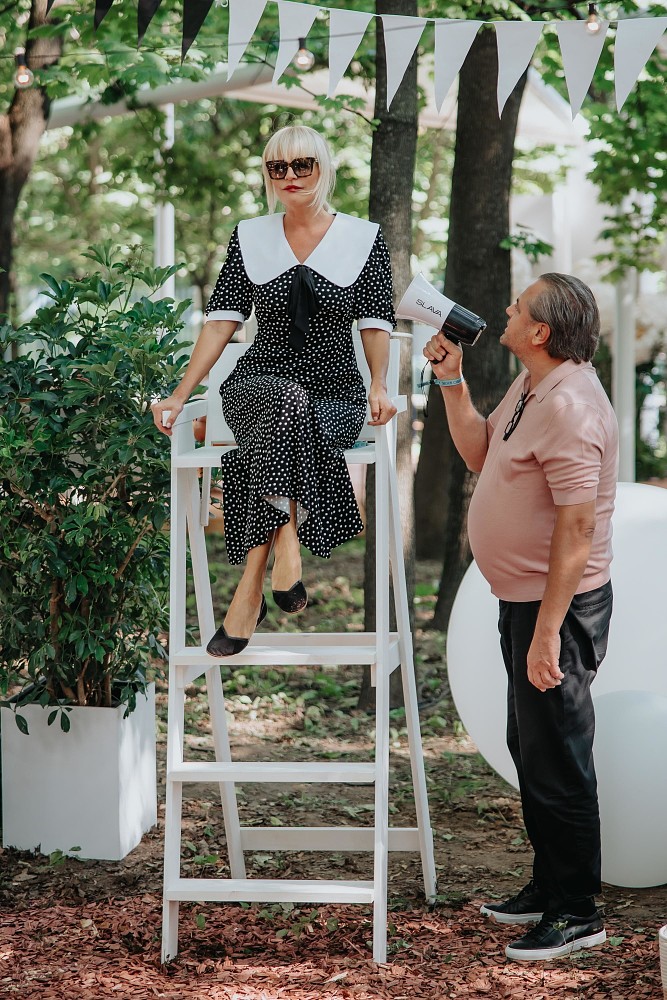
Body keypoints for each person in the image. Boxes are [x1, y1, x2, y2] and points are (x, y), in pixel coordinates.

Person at [423, 274, 618, 963]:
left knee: (557, 757)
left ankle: (577, 911)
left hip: (556, 608)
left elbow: (576, 530)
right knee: (530, 746)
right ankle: (548, 885)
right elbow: (481, 453)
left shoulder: (571, 406)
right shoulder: (533, 385)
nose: (505, 310)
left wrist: (547, 633)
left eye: (518, 306)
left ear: (540, 331)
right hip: (526, 600)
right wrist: (451, 381)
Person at [152, 124, 396, 656]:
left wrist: (378, 384)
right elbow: (222, 321)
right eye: (276, 167)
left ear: (323, 168)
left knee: (285, 422)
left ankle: (249, 586)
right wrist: (180, 393)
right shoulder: (249, 236)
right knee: (284, 402)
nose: (289, 176)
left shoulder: (364, 238)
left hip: (334, 392)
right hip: (257, 387)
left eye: (302, 164)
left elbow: (376, 322)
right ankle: (287, 541)